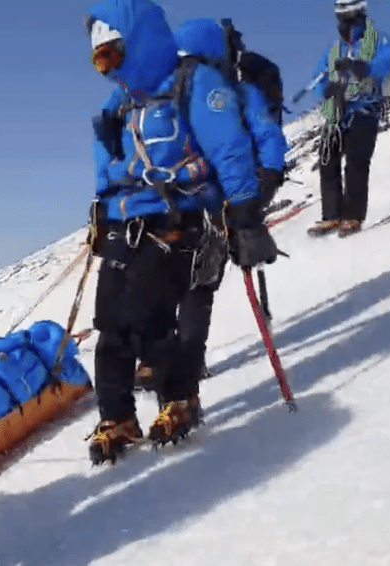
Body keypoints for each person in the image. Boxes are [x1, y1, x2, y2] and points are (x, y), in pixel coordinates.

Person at [83, 0, 279, 465]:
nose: (107, 70)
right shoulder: (123, 100)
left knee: (154, 317)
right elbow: (107, 156)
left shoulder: (196, 84)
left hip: (179, 216)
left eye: (112, 54)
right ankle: (116, 416)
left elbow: (230, 148)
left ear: (138, 44)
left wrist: (246, 216)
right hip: (126, 216)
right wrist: (100, 209)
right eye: (99, 60)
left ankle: (180, 399)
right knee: (110, 322)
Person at [132, 17, 290, 389]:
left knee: (175, 278)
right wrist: (261, 184)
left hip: (178, 202)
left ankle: (161, 359)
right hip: (213, 202)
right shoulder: (230, 88)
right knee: (197, 284)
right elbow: (265, 135)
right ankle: (182, 360)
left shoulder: (168, 93)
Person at [306, 0, 390, 238]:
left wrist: (362, 67)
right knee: (327, 161)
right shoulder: (334, 48)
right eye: (341, 16)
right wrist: (325, 91)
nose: (344, 21)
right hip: (337, 111)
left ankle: (353, 216)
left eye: (349, 15)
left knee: (356, 160)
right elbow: (320, 74)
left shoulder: (380, 40)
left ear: (360, 13)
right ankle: (331, 215)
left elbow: (385, 63)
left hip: (365, 107)